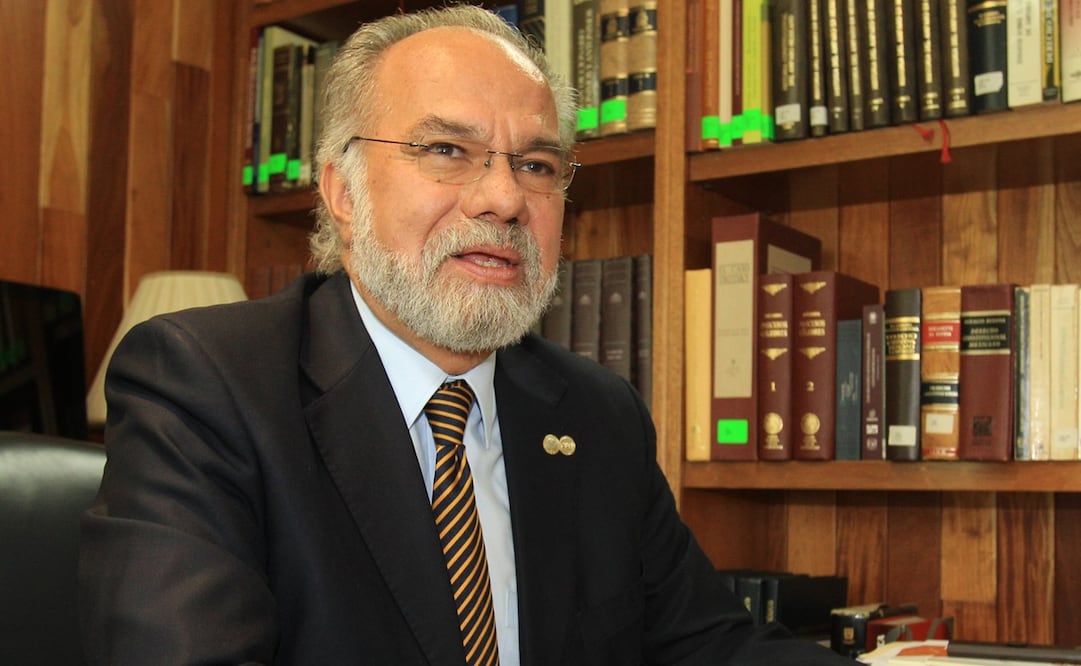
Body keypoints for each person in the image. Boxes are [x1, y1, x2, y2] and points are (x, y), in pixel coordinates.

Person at [78, 5, 856, 665]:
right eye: (446, 150)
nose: (503, 198)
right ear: (342, 190)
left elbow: (709, 648)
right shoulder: (205, 382)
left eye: (538, 165)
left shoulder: (594, 412)